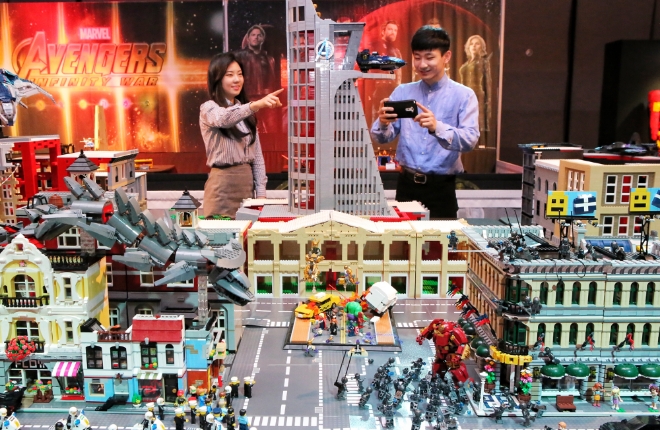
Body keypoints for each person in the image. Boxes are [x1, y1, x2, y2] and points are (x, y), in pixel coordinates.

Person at [370, 26, 479, 219]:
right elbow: (382, 138)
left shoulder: (464, 95)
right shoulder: (402, 92)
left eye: (429, 57)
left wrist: (438, 127)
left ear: (446, 57)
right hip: (406, 186)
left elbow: (470, 140)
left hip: (442, 189)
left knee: (441, 238)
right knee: (403, 237)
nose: (422, 64)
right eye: (417, 57)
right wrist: (383, 122)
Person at [200, 52, 282, 218]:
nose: (237, 80)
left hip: (246, 189)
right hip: (221, 188)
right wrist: (254, 105)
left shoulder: (247, 113)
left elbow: (257, 157)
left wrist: (261, 194)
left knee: (247, 234)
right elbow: (223, 119)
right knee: (221, 233)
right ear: (217, 78)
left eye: (240, 74)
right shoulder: (208, 108)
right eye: (229, 75)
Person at [235, 25, 278, 133]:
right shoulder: (239, 57)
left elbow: (272, 80)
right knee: (249, 130)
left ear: (263, 38)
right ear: (248, 38)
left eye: (259, 35)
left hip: (267, 98)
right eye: (253, 35)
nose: (256, 37)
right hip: (248, 98)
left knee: (271, 129)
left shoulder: (269, 59)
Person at [459, 35, 491, 148]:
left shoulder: (483, 62)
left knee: (477, 124)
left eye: (477, 44)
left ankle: (478, 148)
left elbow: (487, 83)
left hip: (477, 96)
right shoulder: (466, 63)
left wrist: (487, 101)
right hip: (464, 96)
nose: (473, 46)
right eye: (471, 44)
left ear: (481, 47)